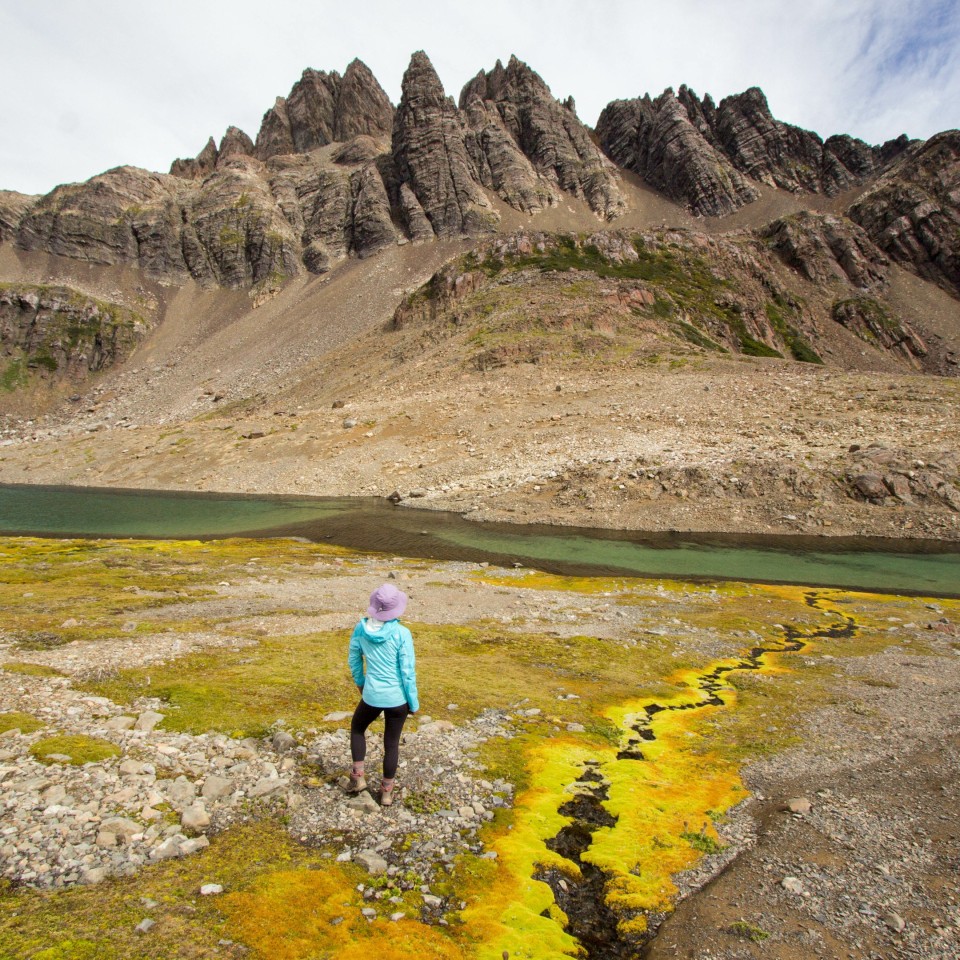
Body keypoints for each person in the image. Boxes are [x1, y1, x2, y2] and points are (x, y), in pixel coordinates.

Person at [347, 582, 419, 806]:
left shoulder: (360, 629)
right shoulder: (402, 633)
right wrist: (413, 703)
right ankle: (386, 792)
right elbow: (407, 671)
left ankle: (358, 778)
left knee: (357, 728)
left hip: (371, 695)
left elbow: (354, 659)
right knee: (392, 744)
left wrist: (361, 684)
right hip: (398, 699)